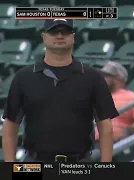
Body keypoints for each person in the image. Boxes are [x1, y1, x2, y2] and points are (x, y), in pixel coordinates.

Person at [1, 19, 119, 162]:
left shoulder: (93, 77)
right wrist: (10, 165)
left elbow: (105, 126)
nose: (59, 35)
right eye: (54, 31)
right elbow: (10, 125)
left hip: (80, 163)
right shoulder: (23, 77)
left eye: (65, 31)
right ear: (44, 37)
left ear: (73, 37)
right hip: (35, 162)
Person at [94, 61, 134, 142]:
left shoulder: (131, 97)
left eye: (106, 76)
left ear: (118, 79)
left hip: (115, 144)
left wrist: (126, 132)